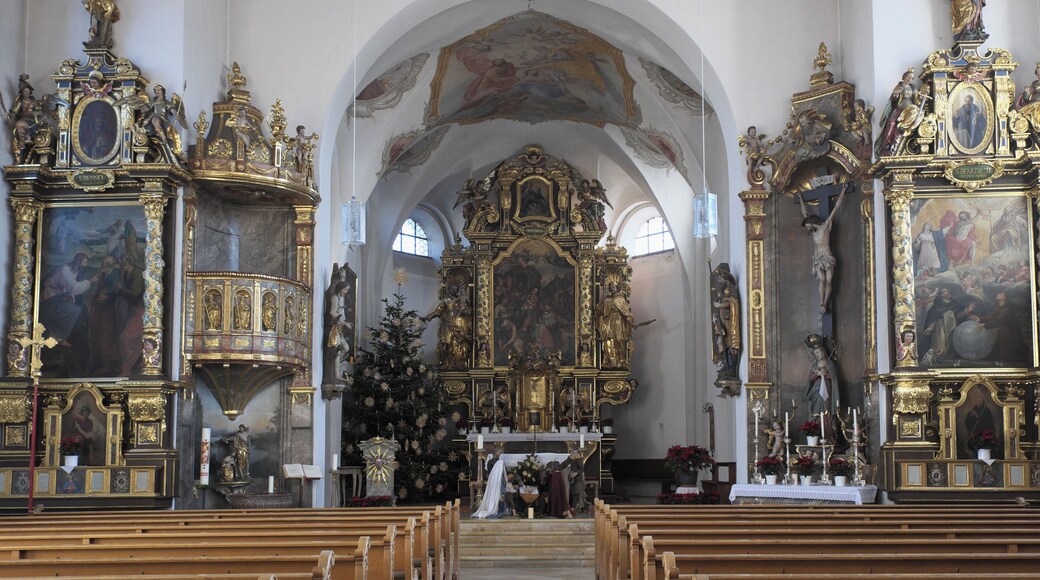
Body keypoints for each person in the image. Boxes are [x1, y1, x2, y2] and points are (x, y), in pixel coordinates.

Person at [798, 183, 849, 314]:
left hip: (827, 255)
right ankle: (821, 303)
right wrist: (801, 200)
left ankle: (825, 302)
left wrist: (842, 191)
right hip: (818, 257)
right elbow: (804, 213)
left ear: (812, 223)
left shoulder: (826, 226)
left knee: (828, 280)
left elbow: (836, 208)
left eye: (808, 225)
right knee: (822, 280)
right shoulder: (814, 232)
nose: (807, 228)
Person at [40, 253, 97, 348]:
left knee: (80, 310)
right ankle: (58, 337)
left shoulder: (74, 271)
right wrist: (90, 281)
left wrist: (67, 296)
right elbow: (74, 289)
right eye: (85, 262)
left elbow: (68, 290)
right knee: (74, 310)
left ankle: (60, 336)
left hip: (57, 298)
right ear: (78, 261)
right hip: (48, 300)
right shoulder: (65, 270)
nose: (85, 265)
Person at [920, 287, 976, 364]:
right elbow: (933, 317)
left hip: (951, 328)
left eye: (948, 291)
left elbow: (957, 316)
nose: (948, 292)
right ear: (941, 295)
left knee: (948, 349)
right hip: (940, 328)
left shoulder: (954, 303)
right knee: (940, 348)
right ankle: (929, 359)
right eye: (945, 291)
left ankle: (941, 362)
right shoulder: (937, 305)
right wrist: (930, 327)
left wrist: (967, 310)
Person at [875, 69, 921, 157]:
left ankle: (904, 129)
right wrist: (895, 94)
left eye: (911, 78)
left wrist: (921, 98)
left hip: (909, 109)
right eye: (908, 77)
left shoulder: (913, 87)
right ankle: (887, 143)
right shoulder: (899, 86)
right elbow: (893, 98)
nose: (909, 79)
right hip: (899, 109)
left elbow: (916, 99)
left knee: (915, 112)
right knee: (891, 124)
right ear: (904, 76)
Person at [972, 291, 1028, 363]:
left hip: (1011, 331)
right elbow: (991, 316)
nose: (998, 295)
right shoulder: (1000, 307)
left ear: (1004, 298)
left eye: (1000, 294)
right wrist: (978, 319)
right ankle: (1002, 359)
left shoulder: (1006, 310)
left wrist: (984, 325)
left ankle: (1004, 360)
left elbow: (997, 321)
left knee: (1007, 347)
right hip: (1005, 329)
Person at [805, 334, 839, 438]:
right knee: (816, 412)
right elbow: (810, 379)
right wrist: (817, 375)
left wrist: (826, 375)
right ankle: (816, 435)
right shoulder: (814, 366)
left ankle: (828, 436)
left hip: (827, 390)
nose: (818, 355)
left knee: (826, 411)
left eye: (819, 352)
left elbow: (834, 377)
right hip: (816, 390)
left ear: (823, 352)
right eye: (815, 353)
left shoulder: (829, 363)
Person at [710, 267, 741, 377]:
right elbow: (717, 309)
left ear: (725, 279)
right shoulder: (722, 293)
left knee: (731, 344)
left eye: (720, 279)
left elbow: (733, 302)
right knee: (721, 343)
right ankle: (726, 365)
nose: (719, 282)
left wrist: (721, 305)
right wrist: (714, 317)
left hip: (730, 323)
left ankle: (732, 368)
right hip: (722, 324)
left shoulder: (731, 288)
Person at [596, 281, 634, 368]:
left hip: (618, 323)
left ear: (617, 288)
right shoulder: (607, 300)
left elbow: (626, 312)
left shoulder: (620, 299)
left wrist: (630, 321)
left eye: (613, 287)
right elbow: (599, 310)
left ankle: (621, 361)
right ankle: (610, 361)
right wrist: (603, 297)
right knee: (608, 341)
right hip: (608, 323)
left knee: (619, 341)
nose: (612, 289)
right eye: (610, 288)